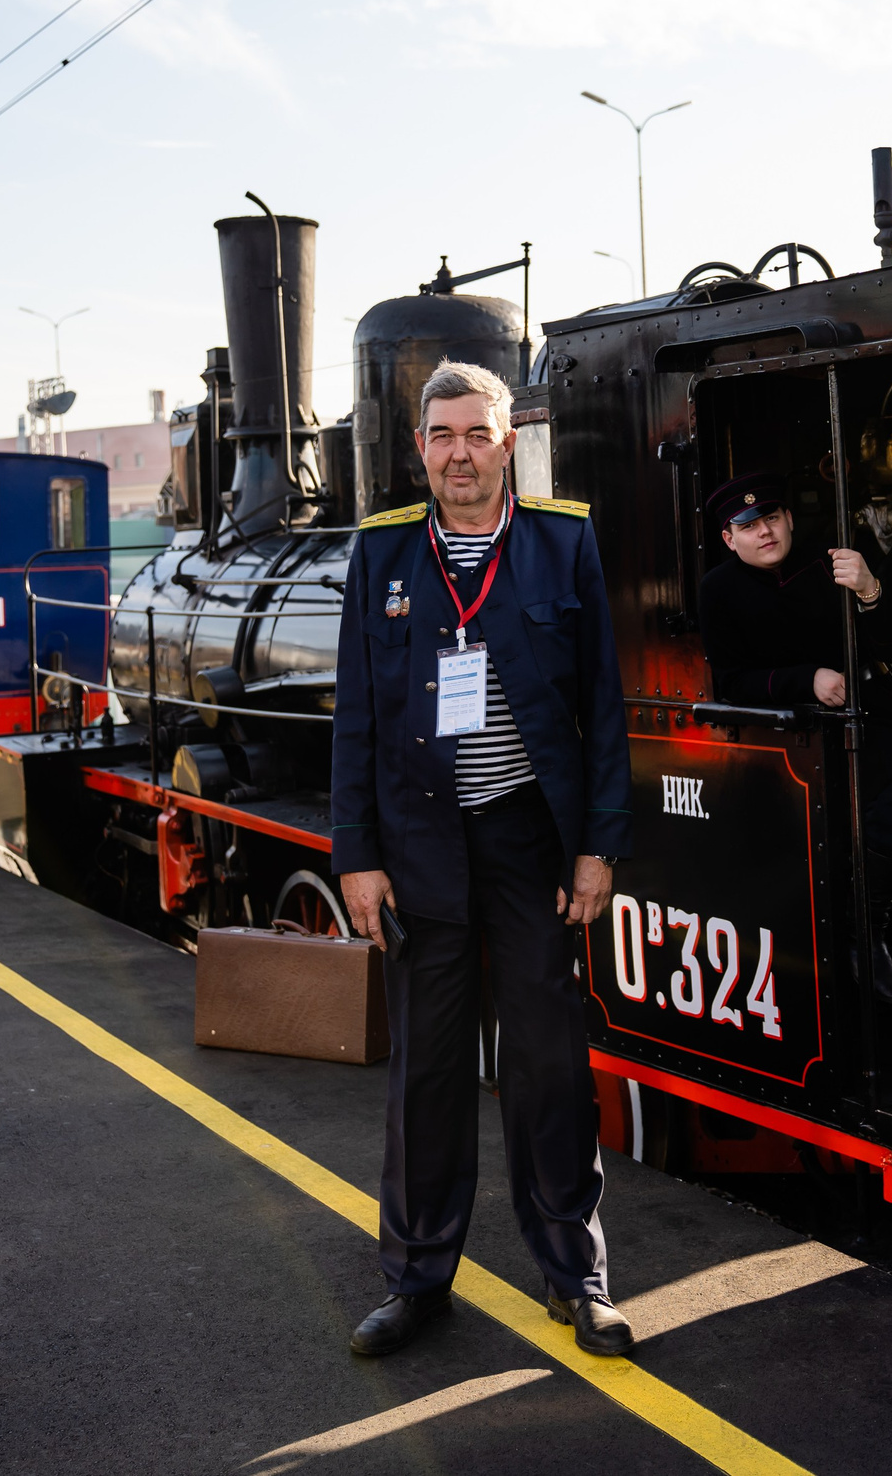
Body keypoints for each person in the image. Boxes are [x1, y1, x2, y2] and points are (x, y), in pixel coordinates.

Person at [331, 360, 635, 1360]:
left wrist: (595, 847)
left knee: (550, 1064)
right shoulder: (381, 555)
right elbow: (357, 721)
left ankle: (575, 1279)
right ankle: (416, 1280)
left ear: (509, 441)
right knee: (426, 1071)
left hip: (527, 840)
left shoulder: (563, 540)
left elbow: (601, 711)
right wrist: (357, 858)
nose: (460, 453)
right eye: (442, 435)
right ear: (420, 448)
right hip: (420, 842)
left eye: (478, 433)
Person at [697, 473, 892, 1063]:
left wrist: (870, 590)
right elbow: (732, 680)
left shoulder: (831, 563)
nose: (764, 532)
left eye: (771, 518)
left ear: (789, 519)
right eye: (748, 526)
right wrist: (804, 681)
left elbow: (891, 646)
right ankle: (863, 925)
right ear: (728, 539)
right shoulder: (720, 590)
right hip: (809, 740)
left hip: (878, 718)